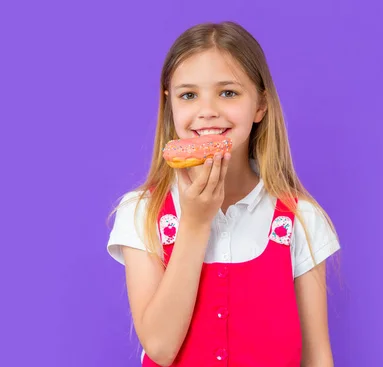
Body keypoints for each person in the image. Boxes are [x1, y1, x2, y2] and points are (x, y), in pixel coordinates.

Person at [106, 21, 341, 367]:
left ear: (260, 105)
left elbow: (317, 356)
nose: (208, 111)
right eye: (189, 95)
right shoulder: (141, 212)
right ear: (170, 104)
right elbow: (159, 346)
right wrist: (196, 223)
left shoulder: (301, 218)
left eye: (228, 93)